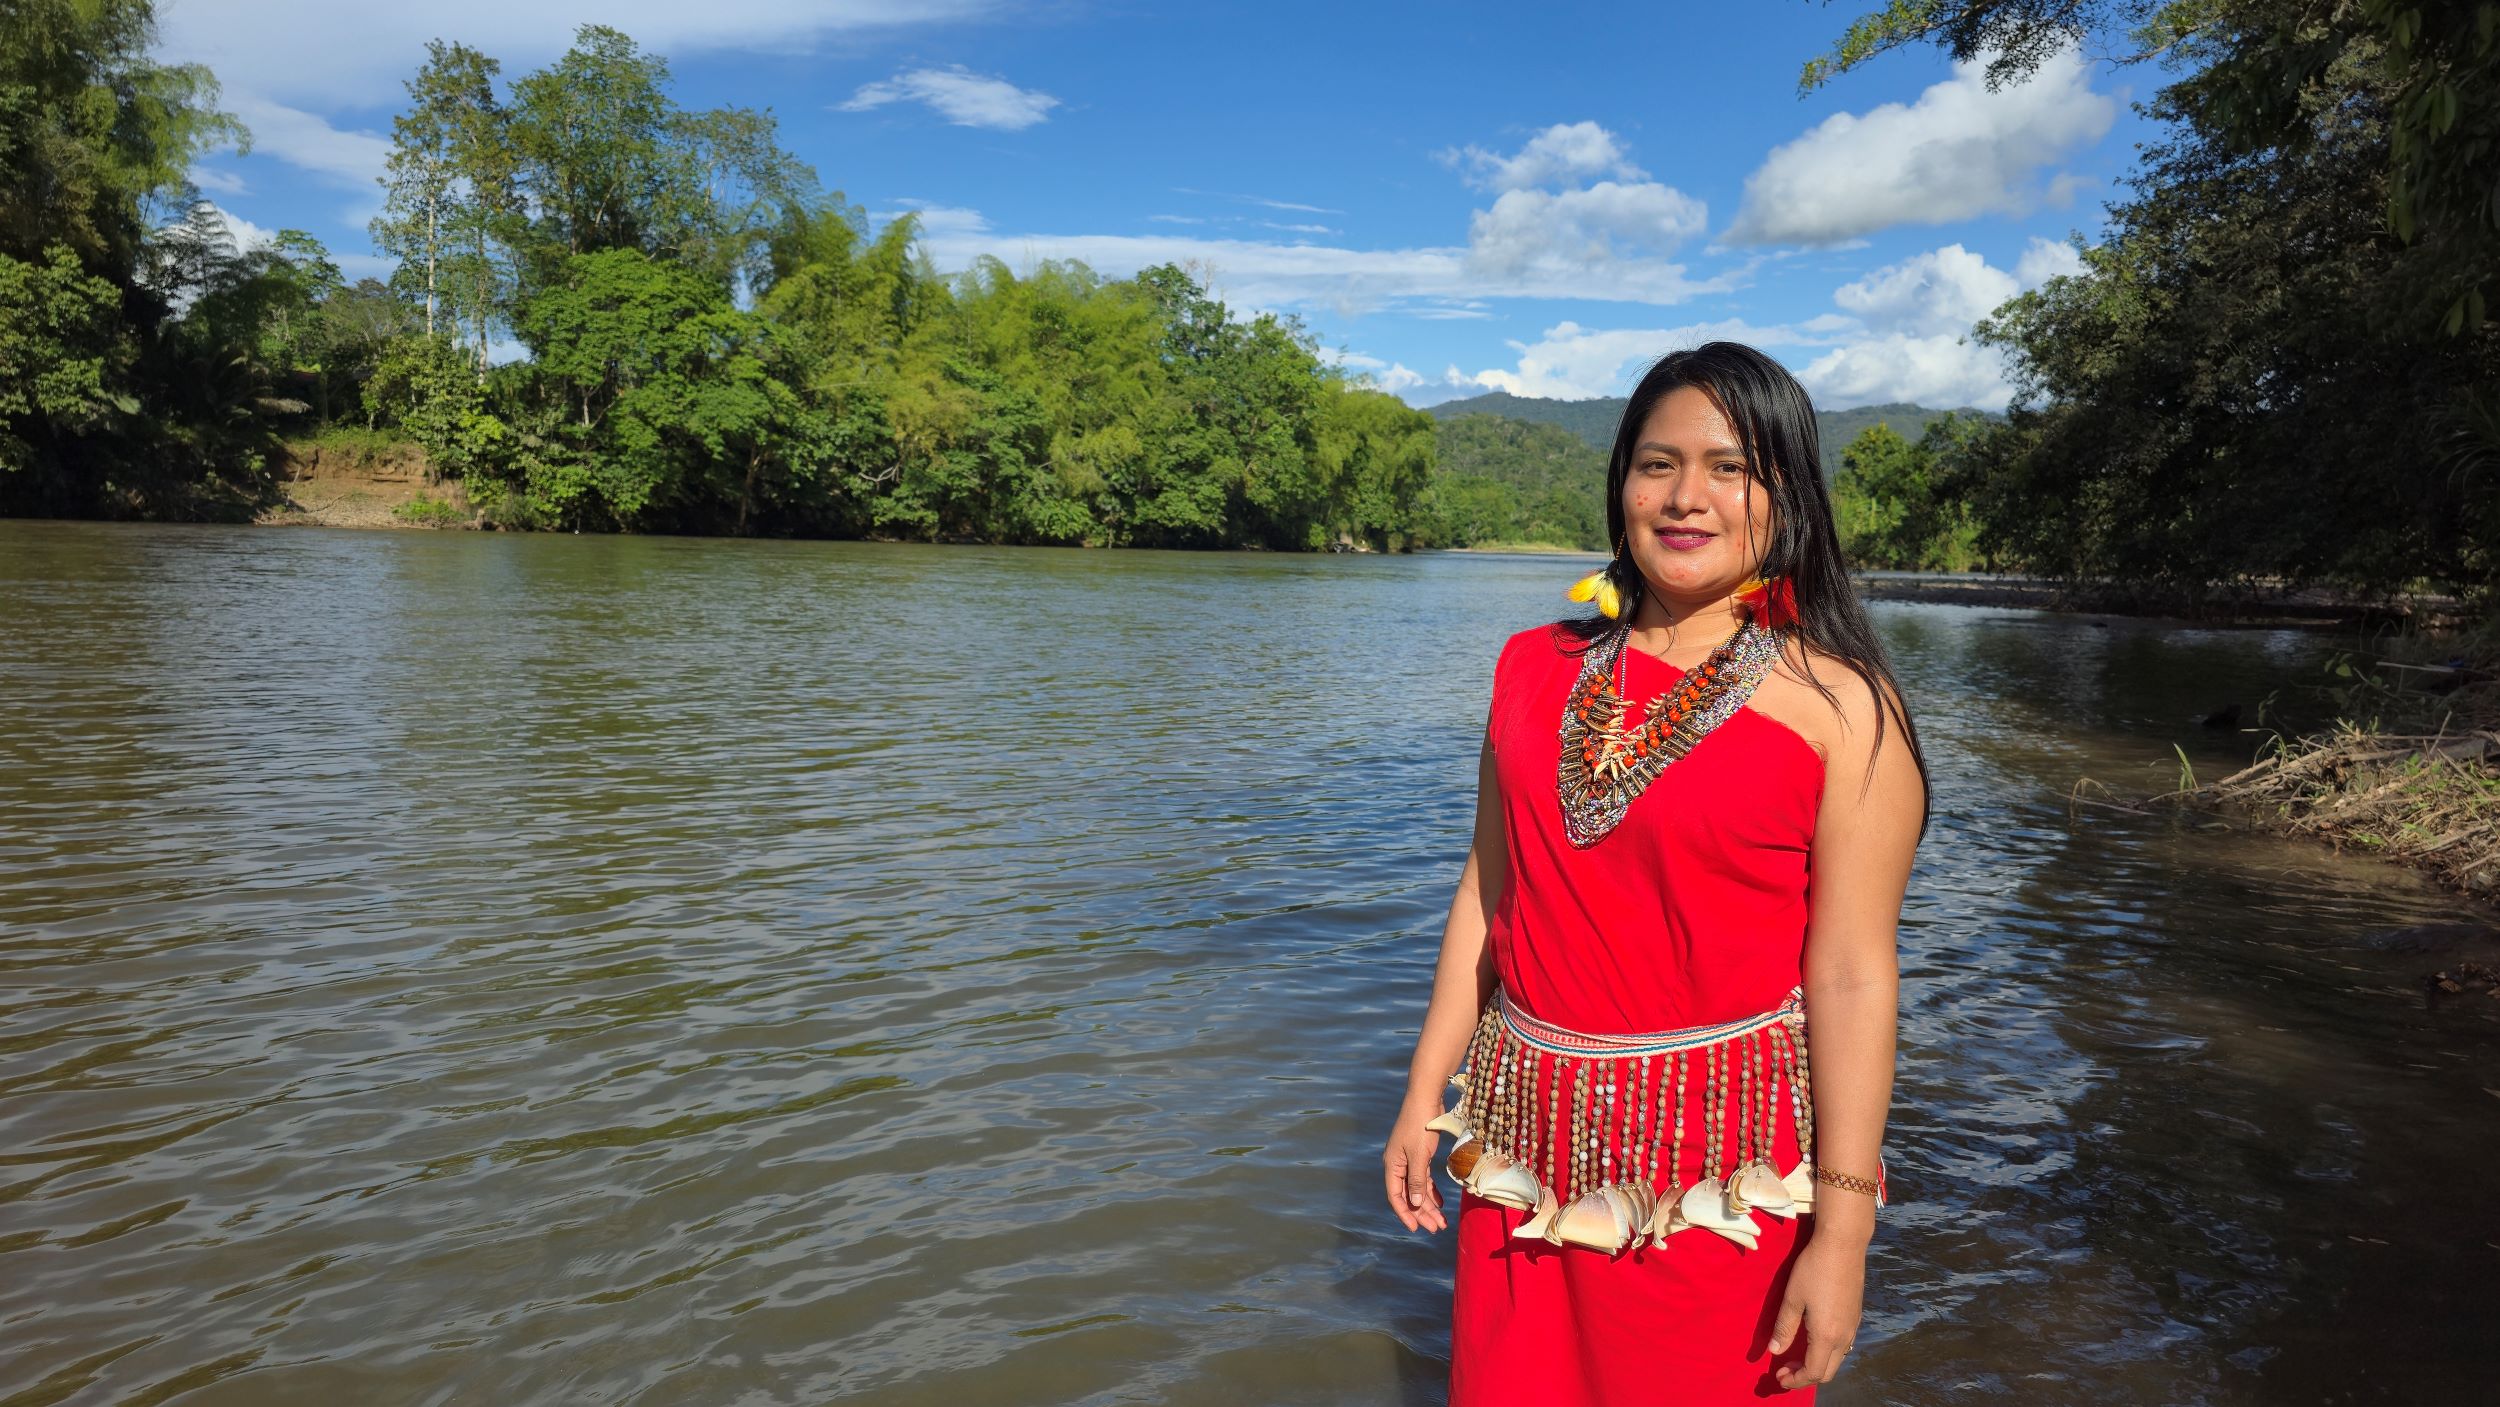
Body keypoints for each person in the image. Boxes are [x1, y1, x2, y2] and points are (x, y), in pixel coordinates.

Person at [1382, 342, 1930, 1403]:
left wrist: (1844, 1229)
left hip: (1720, 1187)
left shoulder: (1844, 708)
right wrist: (1420, 1094)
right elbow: (1488, 897)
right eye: (1654, 464)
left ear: (1787, 492)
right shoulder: (1529, 667)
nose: (1687, 498)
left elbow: (1855, 976)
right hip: (1519, 1169)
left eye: (1730, 467)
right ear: (1619, 482)